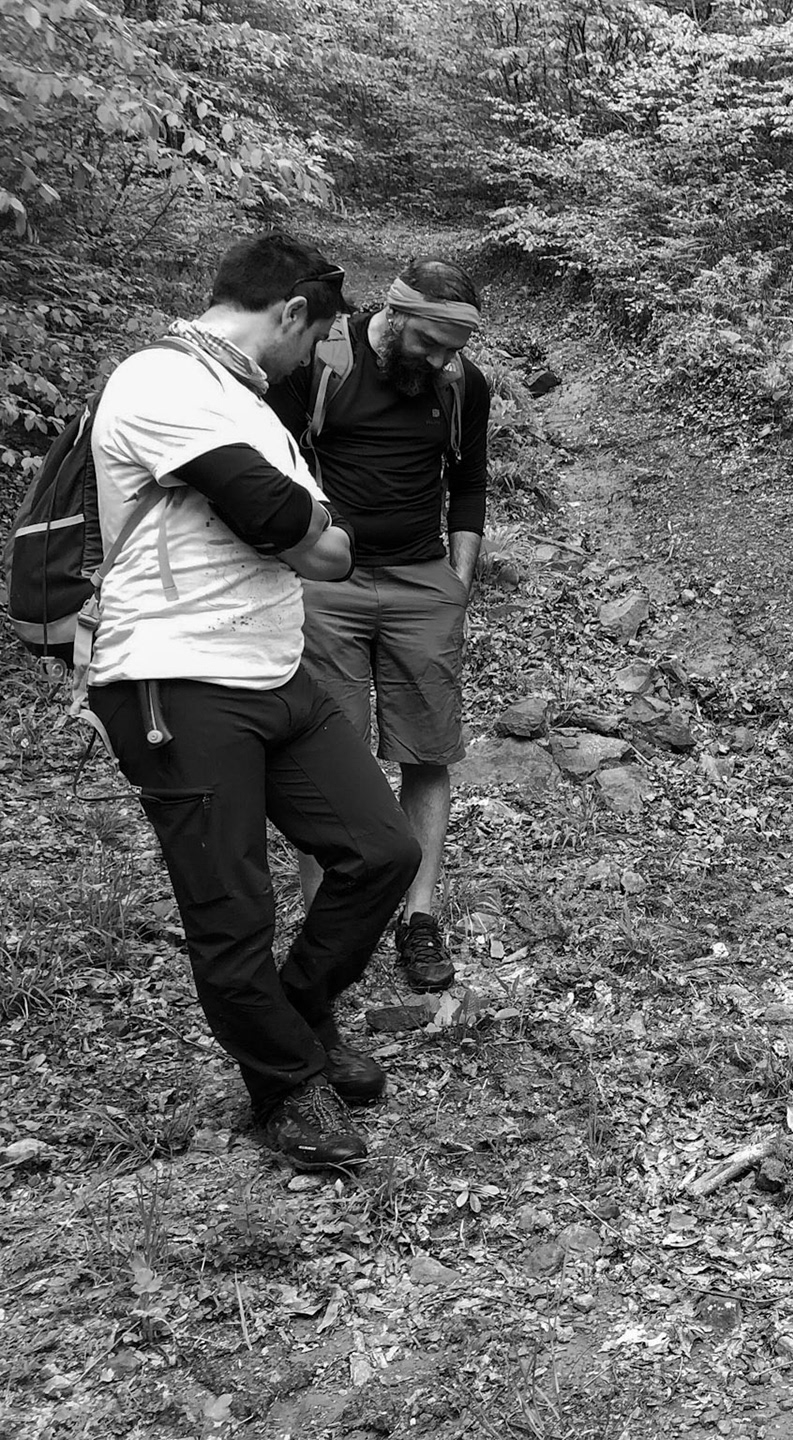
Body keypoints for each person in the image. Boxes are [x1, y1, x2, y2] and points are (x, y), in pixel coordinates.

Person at [86, 232, 421, 1168]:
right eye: (315, 342)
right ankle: (285, 1090)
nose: (315, 361)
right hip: (176, 680)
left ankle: (297, 1017)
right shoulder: (158, 381)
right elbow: (286, 521)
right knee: (231, 909)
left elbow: (332, 547)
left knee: (380, 850)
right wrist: (294, 521)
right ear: (289, 313)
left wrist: (295, 520)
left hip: (278, 671)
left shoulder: (249, 403)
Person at [267, 260, 492, 993]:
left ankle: (418, 917)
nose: (440, 360)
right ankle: (328, 917)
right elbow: (276, 464)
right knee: (327, 754)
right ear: (394, 316)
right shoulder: (323, 365)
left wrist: (458, 579)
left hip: (423, 582)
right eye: (430, 343)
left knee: (427, 752)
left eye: (451, 349)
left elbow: (468, 481)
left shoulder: (463, 385)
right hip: (327, 584)